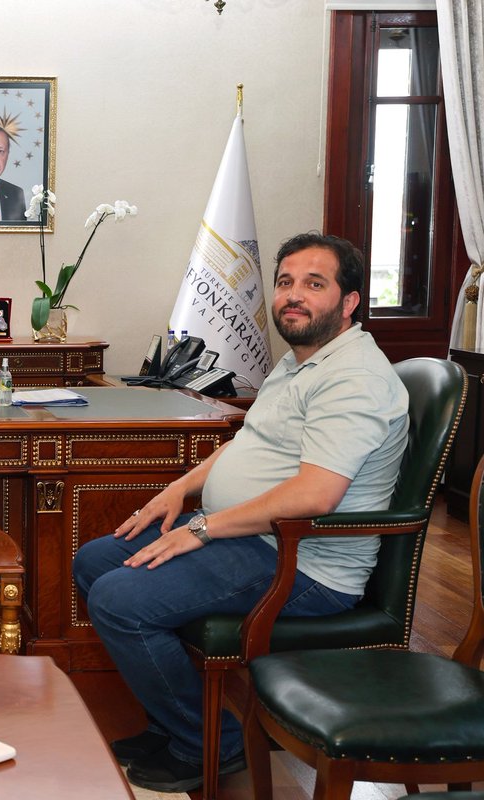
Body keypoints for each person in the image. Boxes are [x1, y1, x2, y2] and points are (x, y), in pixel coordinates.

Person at [72, 233, 408, 793]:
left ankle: (210, 742)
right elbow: (247, 442)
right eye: (285, 282)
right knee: (95, 561)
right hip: (250, 538)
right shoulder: (300, 361)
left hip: (302, 563)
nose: (293, 295)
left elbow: (315, 496)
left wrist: (202, 529)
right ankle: (172, 723)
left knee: (118, 600)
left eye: (314, 284)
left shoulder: (356, 378)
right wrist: (180, 488)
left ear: (349, 302)